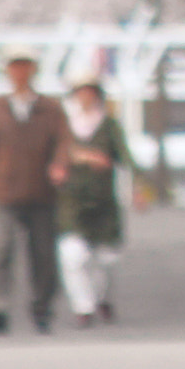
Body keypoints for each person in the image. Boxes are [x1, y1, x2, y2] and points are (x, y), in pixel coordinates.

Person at [0, 45, 69, 334]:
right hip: (2, 190)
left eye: (25, 65)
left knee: (43, 254)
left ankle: (42, 307)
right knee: (0, 249)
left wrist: (60, 165)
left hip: (42, 192)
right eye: (15, 66)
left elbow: (64, 142)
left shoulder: (50, 108)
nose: (20, 72)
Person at [56, 73, 132, 328]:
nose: (85, 96)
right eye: (81, 91)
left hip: (103, 203)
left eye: (90, 91)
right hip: (72, 202)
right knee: (72, 256)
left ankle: (102, 299)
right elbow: (54, 156)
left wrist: (139, 187)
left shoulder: (109, 126)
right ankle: (83, 307)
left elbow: (125, 157)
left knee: (107, 260)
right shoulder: (65, 127)